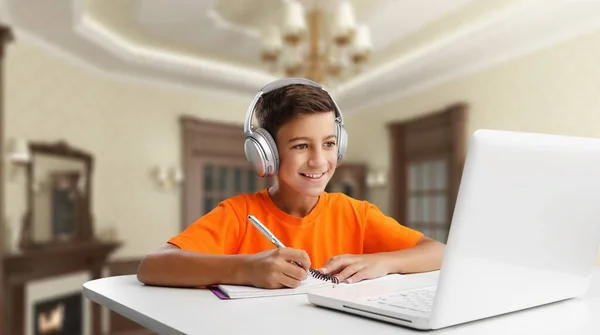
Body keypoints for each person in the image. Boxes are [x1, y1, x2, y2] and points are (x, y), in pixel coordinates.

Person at [137, 78, 445, 289]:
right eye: (300, 146)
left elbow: (440, 252)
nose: (319, 160)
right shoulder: (238, 213)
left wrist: (384, 263)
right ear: (266, 154)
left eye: (328, 144)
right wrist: (245, 269)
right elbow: (153, 266)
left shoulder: (356, 214)